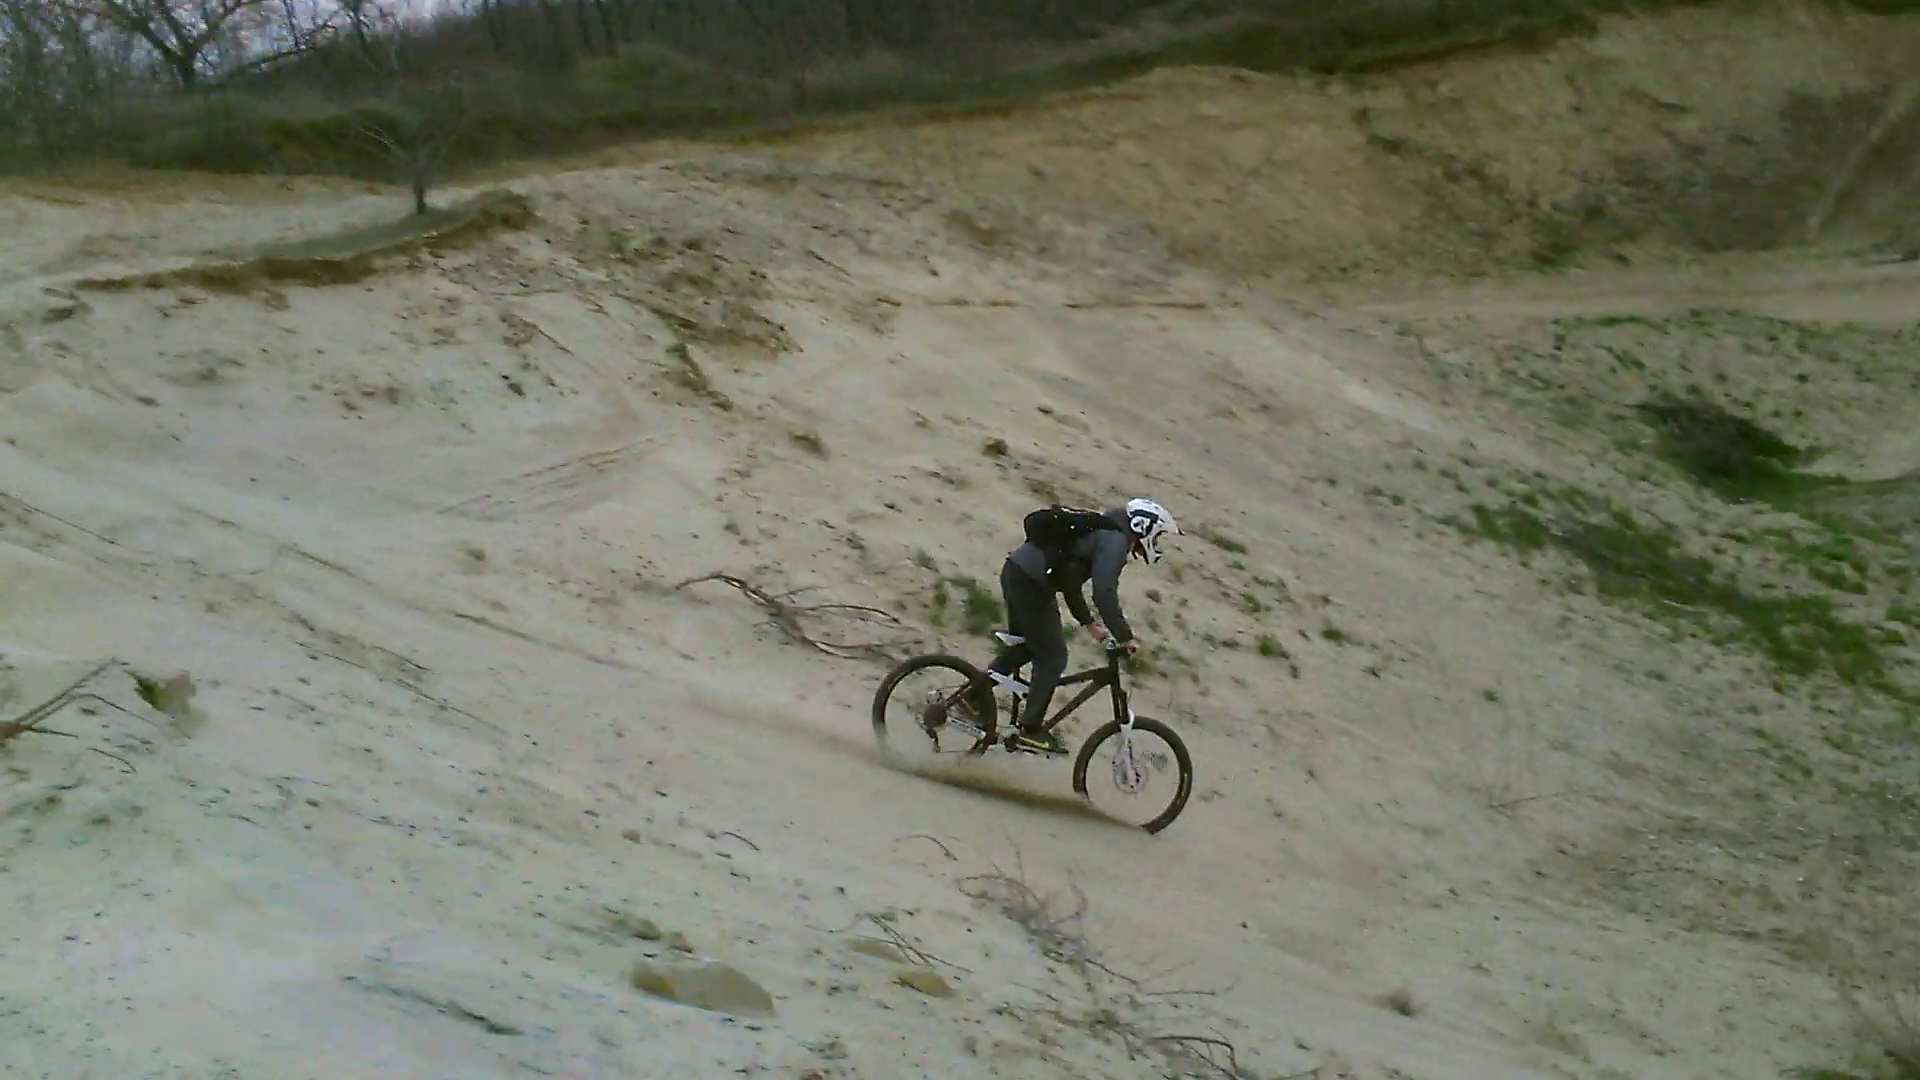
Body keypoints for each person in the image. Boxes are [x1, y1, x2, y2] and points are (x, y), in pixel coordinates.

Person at [969, 498, 1180, 755]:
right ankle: (1030, 729)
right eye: (1157, 537)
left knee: (1027, 647)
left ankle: (972, 699)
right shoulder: (1114, 542)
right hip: (1031, 583)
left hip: (1018, 573)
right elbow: (1103, 593)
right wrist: (1125, 636)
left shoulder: (1102, 532)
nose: (1155, 544)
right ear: (1143, 527)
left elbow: (1070, 583)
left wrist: (1090, 625)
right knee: (1053, 656)